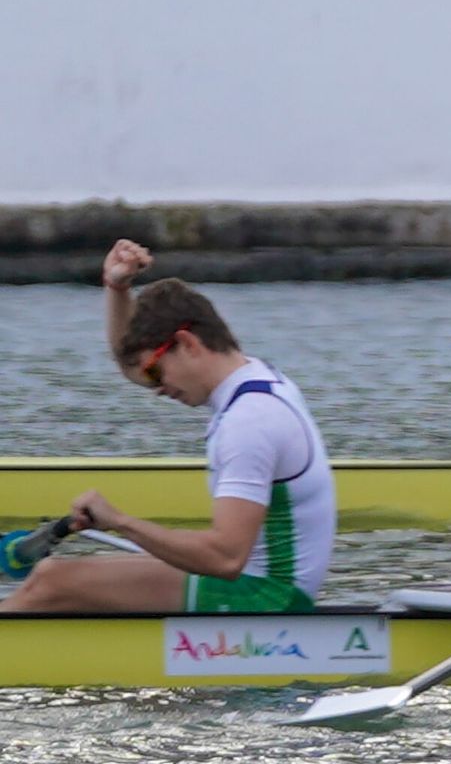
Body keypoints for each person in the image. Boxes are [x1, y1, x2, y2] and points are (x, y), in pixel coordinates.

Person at [0, 239, 336, 613]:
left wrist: (121, 521)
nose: (156, 388)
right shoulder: (253, 377)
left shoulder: (249, 423)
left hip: (267, 598)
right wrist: (117, 289)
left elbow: (225, 559)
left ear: (187, 344)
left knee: (52, 583)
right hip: (256, 582)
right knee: (54, 575)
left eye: (156, 372)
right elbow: (134, 365)